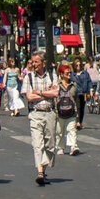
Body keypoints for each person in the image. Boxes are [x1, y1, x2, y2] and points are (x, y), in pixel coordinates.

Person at [22, 53, 60, 185]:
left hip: (50, 113)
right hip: (35, 113)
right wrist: (46, 94)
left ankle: (43, 170)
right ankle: (40, 172)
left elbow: (56, 93)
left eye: (36, 62)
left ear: (43, 63)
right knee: (37, 144)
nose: (34, 64)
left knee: (50, 145)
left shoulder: (52, 75)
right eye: (32, 62)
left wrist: (39, 93)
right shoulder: (29, 77)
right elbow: (29, 97)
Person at [53, 63, 81, 156]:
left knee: (71, 130)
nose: (69, 74)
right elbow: (53, 98)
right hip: (59, 112)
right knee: (60, 132)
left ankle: (73, 147)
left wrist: (78, 117)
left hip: (71, 112)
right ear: (61, 74)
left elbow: (77, 100)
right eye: (67, 73)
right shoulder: (56, 85)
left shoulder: (74, 85)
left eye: (70, 73)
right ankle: (61, 147)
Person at [71, 58, 92, 129]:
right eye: (76, 65)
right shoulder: (72, 75)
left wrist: (90, 91)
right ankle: (77, 122)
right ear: (74, 66)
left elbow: (89, 82)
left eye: (79, 65)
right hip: (76, 93)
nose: (78, 66)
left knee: (82, 108)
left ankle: (80, 121)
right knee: (78, 107)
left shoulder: (85, 73)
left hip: (84, 93)